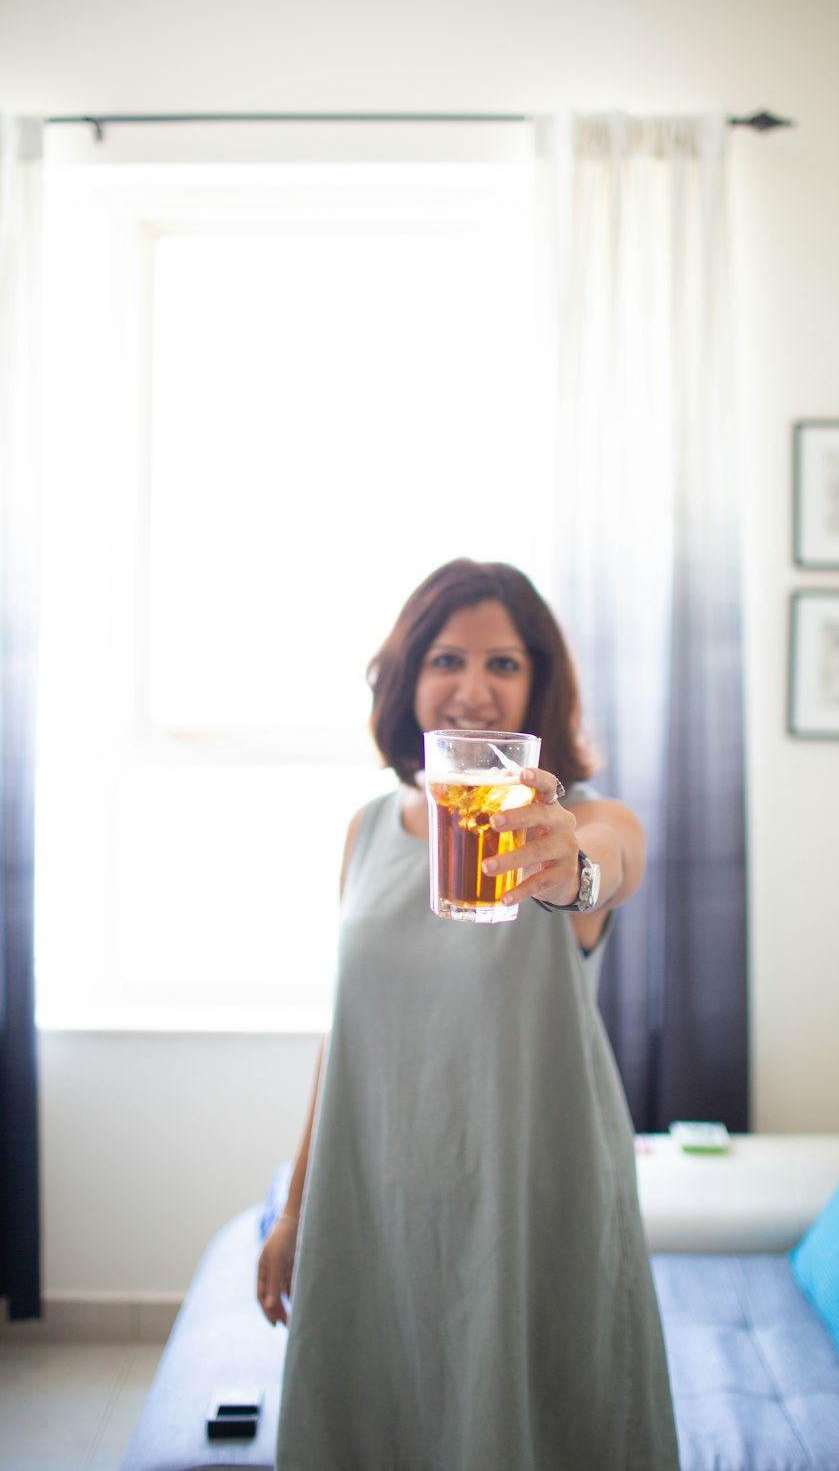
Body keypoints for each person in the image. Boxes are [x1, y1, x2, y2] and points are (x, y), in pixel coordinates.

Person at [257, 558, 679, 1471]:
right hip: (377, 1200)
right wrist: (297, 1209)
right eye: (448, 659)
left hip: (530, 1205)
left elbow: (608, 863)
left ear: (540, 687)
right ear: (409, 677)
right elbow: (348, 1036)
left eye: (505, 665)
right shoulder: (365, 831)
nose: (475, 689)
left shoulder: (583, 818)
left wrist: (571, 863)